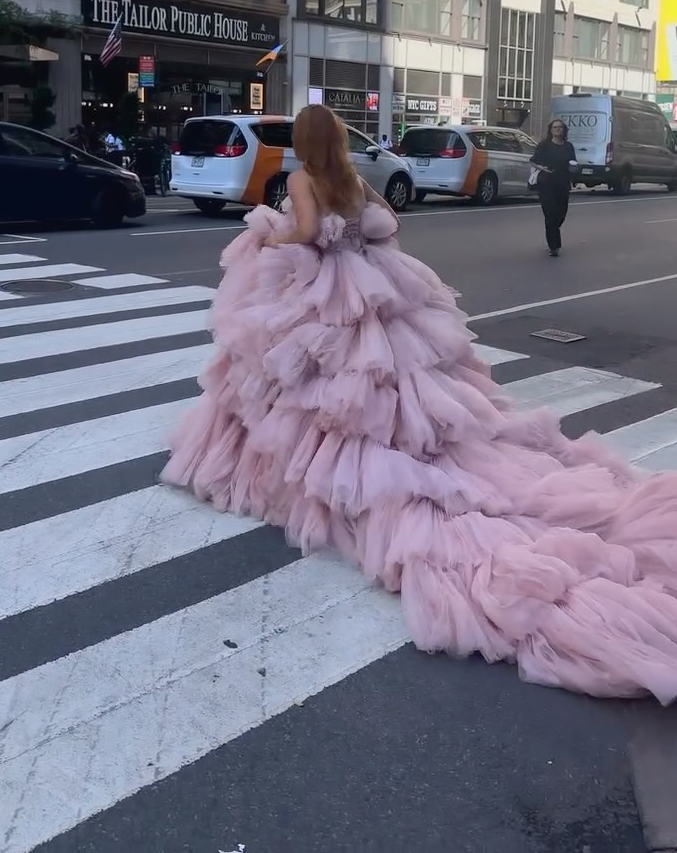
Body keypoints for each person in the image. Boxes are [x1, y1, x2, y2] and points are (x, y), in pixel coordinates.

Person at [161, 104, 677, 705]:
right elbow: (387, 220)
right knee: (394, 387)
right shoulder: (352, 179)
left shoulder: (303, 181)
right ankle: (400, 454)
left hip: (325, 290)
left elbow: (301, 233)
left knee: (310, 388)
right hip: (372, 282)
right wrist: (348, 235)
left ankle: (331, 479)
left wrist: (268, 233)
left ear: (302, 142)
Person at [530, 119, 578, 257]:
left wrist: (574, 169)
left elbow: (573, 162)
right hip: (546, 184)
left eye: (560, 127)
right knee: (550, 215)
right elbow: (533, 160)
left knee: (561, 214)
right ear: (550, 130)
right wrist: (542, 168)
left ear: (564, 130)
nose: (557, 129)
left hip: (562, 184)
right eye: (554, 127)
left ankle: (553, 232)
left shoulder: (568, 146)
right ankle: (554, 246)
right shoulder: (544, 145)